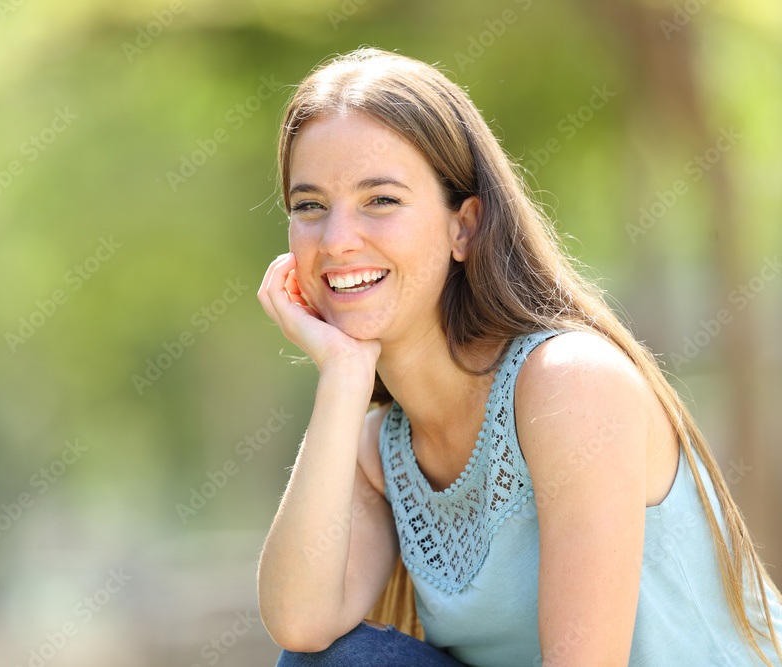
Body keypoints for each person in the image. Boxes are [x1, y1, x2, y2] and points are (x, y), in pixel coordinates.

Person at [255, 46, 782, 666]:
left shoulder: (571, 385)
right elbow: (300, 622)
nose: (338, 240)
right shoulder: (382, 451)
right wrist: (343, 374)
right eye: (310, 206)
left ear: (464, 226)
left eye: (381, 200)